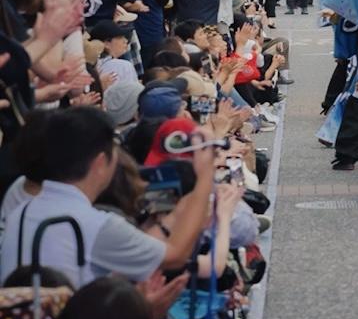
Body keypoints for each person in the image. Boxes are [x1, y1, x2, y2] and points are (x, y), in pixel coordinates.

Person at [0, 107, 214, 288]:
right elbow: (175, 256)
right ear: (100, 163)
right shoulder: (97, 225)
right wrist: (204, 179)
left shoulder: (21, 211)